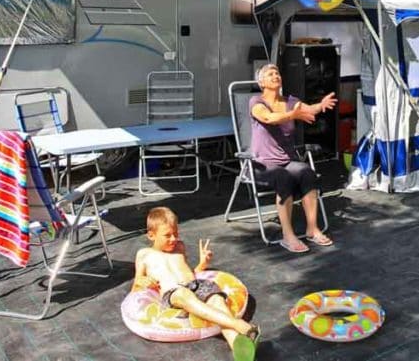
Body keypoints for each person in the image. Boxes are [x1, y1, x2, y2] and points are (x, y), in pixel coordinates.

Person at [132, 207, 259, 361]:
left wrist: (202, 264)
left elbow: (188, 272)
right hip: (173, 293)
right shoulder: (144, 254)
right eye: (167, 235)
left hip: (196, 284)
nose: (173, 239)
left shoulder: (179, 247)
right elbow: (135, 288)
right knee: (184, 294)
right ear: (151, 235)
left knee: (218, 302)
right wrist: (141, 282)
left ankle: (241, 351)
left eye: (176, 234)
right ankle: (239, 324)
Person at [249, 63, 336, 253]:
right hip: (262, 164)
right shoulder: (257, 102)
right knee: (284, 177)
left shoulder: (290, 101)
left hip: (287, 161)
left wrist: (320, 106)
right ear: (261, 82)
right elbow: (269, 119)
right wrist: (293, 114)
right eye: (270, 74)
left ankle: (312, 229)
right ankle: (288, 236)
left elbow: (308, 109)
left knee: (307, 173)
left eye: (277, 72)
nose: (275, 75)